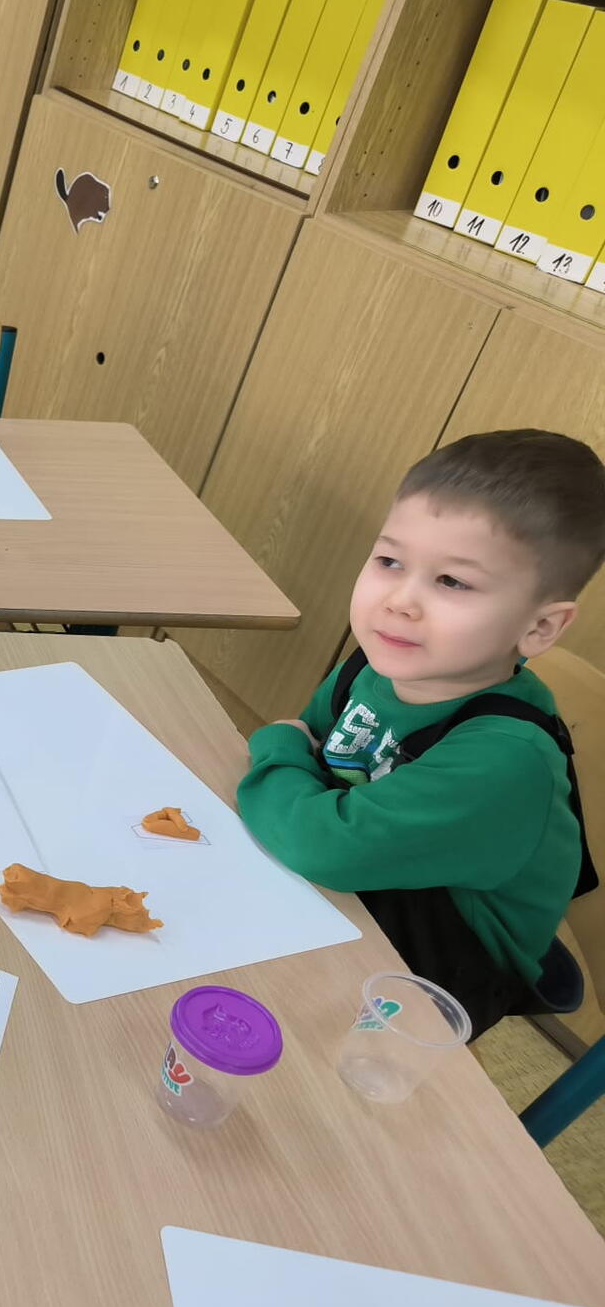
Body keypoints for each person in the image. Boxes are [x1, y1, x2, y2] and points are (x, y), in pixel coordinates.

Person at [238, 429, 605, 1037]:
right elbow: (313, 767)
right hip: (355, 889)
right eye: (390, 561)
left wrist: (276, 745)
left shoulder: (504, 761)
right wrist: (293, 764)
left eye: (452, 582)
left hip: (437, 968)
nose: (399, 602)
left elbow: (321, 837)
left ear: (540, 628)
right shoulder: (379, 665)